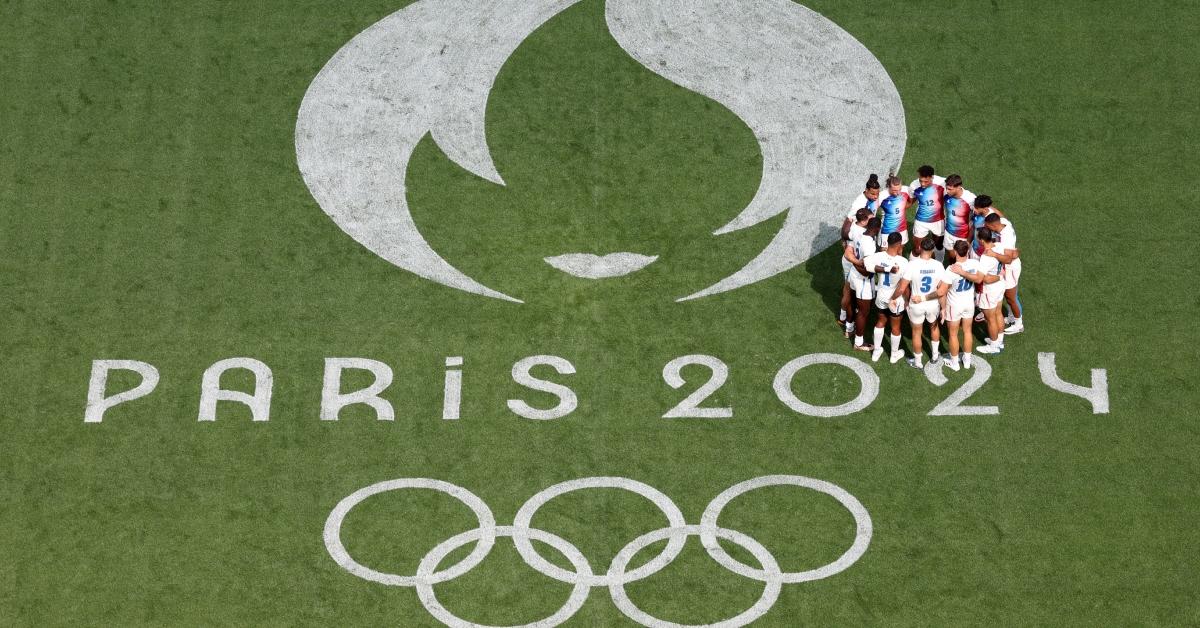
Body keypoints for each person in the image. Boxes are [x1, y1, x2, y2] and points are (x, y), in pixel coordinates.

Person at [973, 199, 1024, 334]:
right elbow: (999, 214)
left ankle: (1018, 323)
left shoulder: (1006, 238)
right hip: (1007, 265)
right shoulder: (1003, 222)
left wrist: (994, 254)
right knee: (1008, 296)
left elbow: (1009, 258)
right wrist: (988, 206)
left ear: (993, 226)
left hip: (1011, 267)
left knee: (1011, 297)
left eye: (987, 227)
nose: (987, 229)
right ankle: (1012, 316)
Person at [893, 236, 944, 368]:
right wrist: (943, 307)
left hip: (916, 304)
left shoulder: (912, 265)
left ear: (920, 247)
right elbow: (941, 290)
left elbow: (902, 288)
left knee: (916, 333)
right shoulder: (938, 265)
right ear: (932, 250)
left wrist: (893, 298)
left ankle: (918, 362)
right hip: (932, 303)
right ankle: (934, 355)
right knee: (934, 326)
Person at [937, 240, 985, 371]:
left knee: (953, 334)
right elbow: (979, 279)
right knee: (967, 331)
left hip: (954, 305)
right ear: (967, 251)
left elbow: (942, 291)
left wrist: (942, 307)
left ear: (955, 251)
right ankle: (967, 361)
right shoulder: (975, 264)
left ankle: (954, 363)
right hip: (969, 303)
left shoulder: (951, 269)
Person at [862, 233, 909, 363]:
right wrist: (906, 301)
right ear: (899, 244)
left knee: (881, 321)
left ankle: (876, 351)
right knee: (895, 327)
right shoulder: (903, 262)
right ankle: (894, 355)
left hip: (881, 294)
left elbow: (865, 264)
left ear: (887, 243)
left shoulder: (878, 256)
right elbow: (904, 286)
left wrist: (884, 268)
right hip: (896, 299)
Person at [845, 217, 881, 351]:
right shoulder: (870, 245)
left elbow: (851, 251)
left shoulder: (860, 235)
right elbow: (866, 270)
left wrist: (854, 262)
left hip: (854, 274)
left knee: (852, 302)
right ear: (877, 229)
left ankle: (849, 328)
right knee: (863, 312)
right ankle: (858, 342)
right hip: (863, 279)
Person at [838, 207, 874, 336]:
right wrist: (857, 262)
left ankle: (845, 319)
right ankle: (846, 322)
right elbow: (848, 248)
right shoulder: (862, 233)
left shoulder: (854, 225)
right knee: (849, 293)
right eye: (870, 219)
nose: (873, 220)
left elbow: (844, 238)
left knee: (850, 292)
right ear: (864, 221)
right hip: (853, 264)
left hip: (851, 261)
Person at [973, 229, 1008, 354]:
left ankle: (993, 346)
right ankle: (999, 340)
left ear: (982, 240)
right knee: (998, 313)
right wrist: (1000, 276)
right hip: (1000, 285)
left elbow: (982, 279)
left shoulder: (985, 257)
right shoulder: (999, 246)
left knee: (990, 318)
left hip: (989, 290)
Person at [909, 166, 946, 260]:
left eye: (926, 181)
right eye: (920, 180)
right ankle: (912, 268)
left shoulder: (943, 183)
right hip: (921, 221)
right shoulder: (914, 185)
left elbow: (956, 191)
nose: (922, 184)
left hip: (938, 220)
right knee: (917, 249)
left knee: (938, 245)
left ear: (932, 177)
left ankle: (939, 265)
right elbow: (910, 202)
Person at [942, 174, 977, 263]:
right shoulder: (946, 194)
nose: (947, 191)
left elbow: (976, 219)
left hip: (963, 236)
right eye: (947, 188)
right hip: (948, 231)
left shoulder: (970, 199)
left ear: (959, 187)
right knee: (951, 257)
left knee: (962, 260)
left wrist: (969, 240)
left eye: (950, 189)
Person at [841, 174, 883, 243]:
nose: (876, 197)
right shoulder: (859, 203)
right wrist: (844, 239)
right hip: (858, 235)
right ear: (866, 190)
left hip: (869, 232)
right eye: (873, 194)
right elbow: (849, 220)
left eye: (877, 194)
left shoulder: (873, 198)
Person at [876, 175, 912, 249]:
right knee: (884, 253)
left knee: (899, 251)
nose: (898, 193)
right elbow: (872, 209)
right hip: (887, 229)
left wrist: (906, 206)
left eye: (899, 189)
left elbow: (914, 197)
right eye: (894, 190)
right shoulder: (882, 196)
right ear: (888, 187)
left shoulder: (906, 190)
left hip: (902, 228)